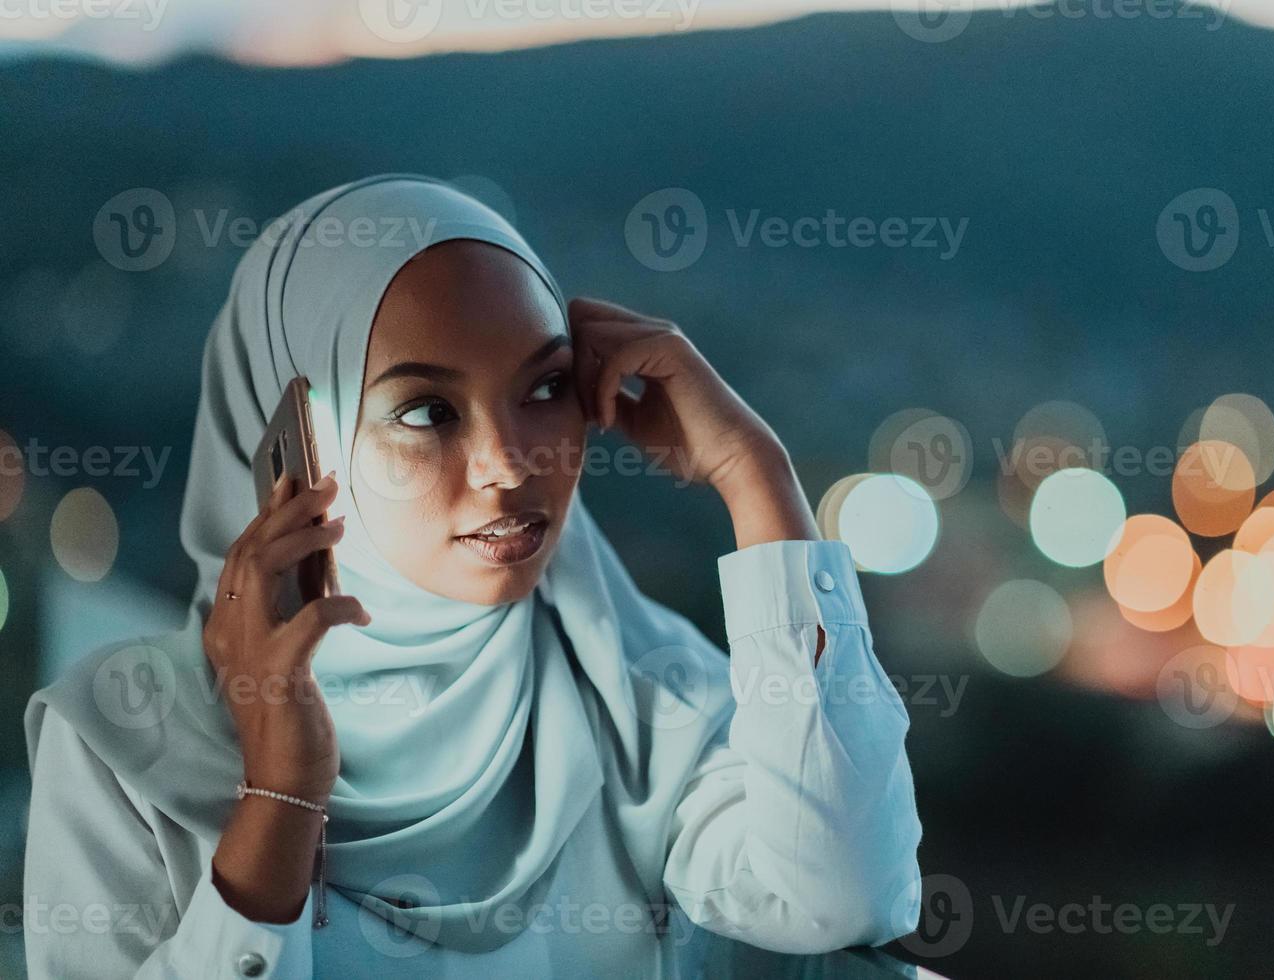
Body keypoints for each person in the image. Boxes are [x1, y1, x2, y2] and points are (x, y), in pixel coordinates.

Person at [23, 174, 923, 977]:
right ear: (295, 444)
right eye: (426, 410)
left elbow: (838, 896)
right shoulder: (124, 743)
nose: (507, 462)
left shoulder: (635, 693)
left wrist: (753, 472)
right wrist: (282, 791)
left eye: (543, 388)